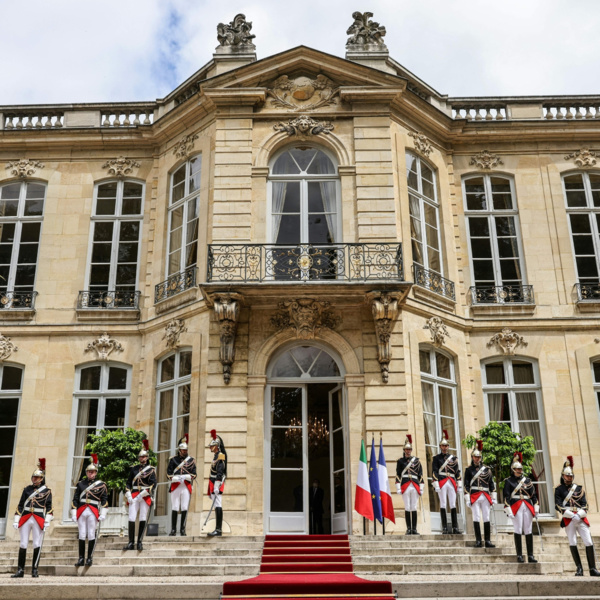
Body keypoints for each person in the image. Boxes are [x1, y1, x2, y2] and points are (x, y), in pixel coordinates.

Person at [554, 456, 600, 577]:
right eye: (567, 475)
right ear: (563, 476)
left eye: (571, 476)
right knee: (572, 542)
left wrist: (579, 514)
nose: (569, 477)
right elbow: (558, 505)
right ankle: (579, 568)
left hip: (580, 517)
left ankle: (592, 568)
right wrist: (570, 515)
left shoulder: (579, 488)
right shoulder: (559, 489)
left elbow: (585, 505)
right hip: (569, 518)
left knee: (588, 541)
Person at [12, 459, 53, 578]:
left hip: (38, 518)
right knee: (23, 543)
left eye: (37, 477)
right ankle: (20, 570)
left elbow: (49, 508)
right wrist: (16, 519)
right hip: (25, 517)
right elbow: (20, 505)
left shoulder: (47, 491)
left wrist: (47, 521)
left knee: (36, 543)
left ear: (41, 479)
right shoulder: (27, 489)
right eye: (33, 477)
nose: (34, 479)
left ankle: (35, 569)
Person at [71, 454, 108, 567]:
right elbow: (75, 499)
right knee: (82, 534)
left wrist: (103, 513)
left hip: (92, 510)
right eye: (88, 472)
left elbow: (104, 500)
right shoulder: (81, 484)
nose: (90, 474)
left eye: (92, 472)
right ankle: (81, 558)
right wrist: (73, 512)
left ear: (96, 473)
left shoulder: (101, 485)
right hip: (82, 510)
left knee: (91, 534)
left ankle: (89, 558)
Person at [503, 452, 539, 563]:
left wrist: (536, 508)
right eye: (517, 469)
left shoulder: (528, 481)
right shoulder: (509, 481)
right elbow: (506, 497)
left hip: (527, 506)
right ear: (513, 469)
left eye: (520, 469)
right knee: (518, 530)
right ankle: (519, 555)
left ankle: (530, 555)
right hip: (516, 506)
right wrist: (508, 510)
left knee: (528, 530)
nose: (519, 471)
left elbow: (534, 496)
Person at [123, 439, 156, 551]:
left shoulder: (151, 469)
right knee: (131, 517)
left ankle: (140, 541)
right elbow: (128, 482)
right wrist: (128, 493)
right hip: (134, 494)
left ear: (147, 457)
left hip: (145, 495)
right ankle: (131, 542)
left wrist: (143, 494)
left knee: (142, 517)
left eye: (143, 457)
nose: (141, 459)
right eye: (140, 457)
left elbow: (153, 484)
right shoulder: (134, 469)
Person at [464, 440, 496, 548]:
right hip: (474, 495)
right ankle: (478, 540)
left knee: (486, 517)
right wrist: (467, 498)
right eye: (475, 457)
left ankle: (487, 540)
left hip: (485, 495)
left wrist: (494, 496)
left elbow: (491, 484)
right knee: (476, 517)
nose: (477, 459)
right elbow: (466, 484)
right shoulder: (469, 470)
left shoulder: (487, 470)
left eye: (478, 457)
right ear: (472, 457)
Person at [432, 430, 462, 534]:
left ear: (448, 447)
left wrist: (459, 484)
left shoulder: (453, 458)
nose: (444, 447)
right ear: (440, 447)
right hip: (442, 481)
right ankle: (444, 527)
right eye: (442, 446)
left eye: (446, 446)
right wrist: (436, 483)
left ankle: (455, 527)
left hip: (452, 481)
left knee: (453, 504)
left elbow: (457, 471)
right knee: (443, 504)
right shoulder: (436, 458)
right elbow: (435, 471)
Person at [167, 433, 197, 536]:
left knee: (184, 507)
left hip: (185, 485)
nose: (185, 452)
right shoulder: (173, 460)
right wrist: (174, 478)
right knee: (175, 507)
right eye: (183, 450)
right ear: (179, 451)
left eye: (186, 450)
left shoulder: (191, 460)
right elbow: (168, 473)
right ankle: (173, 529)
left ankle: (183, 529)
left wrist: (188, 477)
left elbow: (194, 473)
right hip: (176, 485)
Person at [395, 434, 424, 535]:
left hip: (415, 485)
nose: (408, 451)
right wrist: (398, 487)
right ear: (404, 450)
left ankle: (414, 529)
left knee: (414, 506)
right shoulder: (400, 461)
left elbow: (420, 475)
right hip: (405, 484)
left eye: (409, 449)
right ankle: (408, 529)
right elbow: (398, 474)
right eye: (406, 449)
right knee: (407, 507)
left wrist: (421, 487)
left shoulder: (416, 461)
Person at [207, 430, 227, 537]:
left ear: (217, 446)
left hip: (217, 483)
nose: (210, 447)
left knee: (218, 504)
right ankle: (217, 528)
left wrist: (216, 485)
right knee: (216, 505)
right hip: (213, 482)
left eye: (212, 446)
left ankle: (218, 529)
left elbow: (220, 472)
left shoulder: (220, 456)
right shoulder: (216, 456)